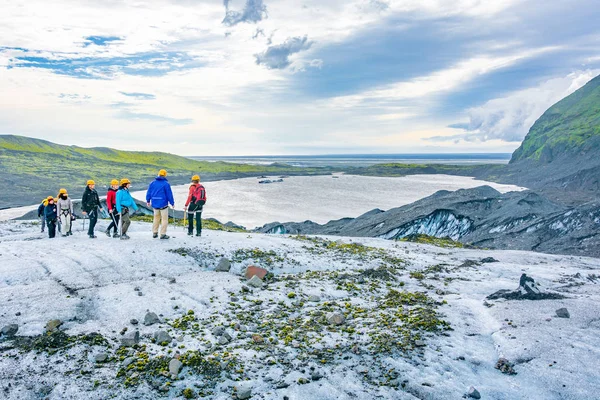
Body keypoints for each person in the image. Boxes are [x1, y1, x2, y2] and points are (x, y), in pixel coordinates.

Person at [145, 169, 175, 239]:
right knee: (164, 219)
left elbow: (149, 192)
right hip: (163, 204)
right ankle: (163, 234)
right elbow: (169, 194)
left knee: (156, 218)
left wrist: (148, 201)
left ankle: (155, 232)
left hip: (155, 204)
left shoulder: (152, 183)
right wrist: (172, 203)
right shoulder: (166, 184)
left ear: (158, 174)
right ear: (165, 175)